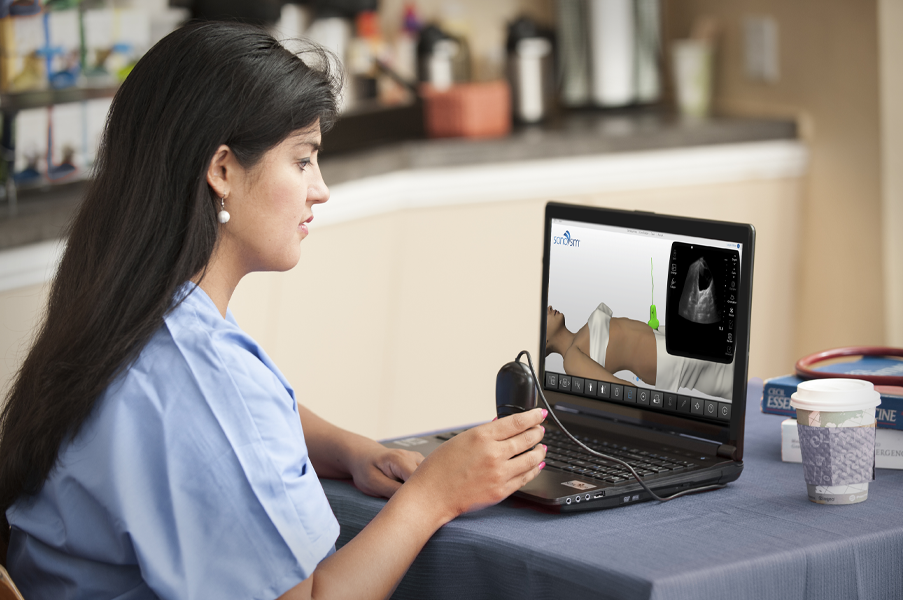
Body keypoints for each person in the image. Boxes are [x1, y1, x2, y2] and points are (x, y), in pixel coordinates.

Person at [0, 22, 547, 599]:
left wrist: (349, 449)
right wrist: (435, 495)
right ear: (223, 172)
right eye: (303, 160)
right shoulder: (197, 375)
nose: (321, 189)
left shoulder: (128, 320)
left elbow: (226, 422)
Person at [545, 303, 733, 400]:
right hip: (665, 358)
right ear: (543, 341)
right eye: (542, 313)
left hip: (666, 341)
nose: (549, 307)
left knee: (727, 374)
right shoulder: (571, 359)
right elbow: (622, 390)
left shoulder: (579, 339)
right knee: (729, 368)